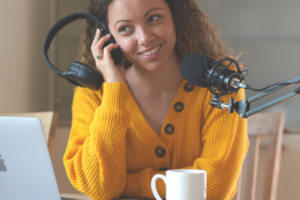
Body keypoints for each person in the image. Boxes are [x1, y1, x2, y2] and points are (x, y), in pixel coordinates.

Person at [63, 0, 249, 199]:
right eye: (125, 28)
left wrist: (125, 183)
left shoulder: (221, 84)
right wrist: (113, 94)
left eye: (153, 18)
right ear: (108, 40)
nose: (144, 38)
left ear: (175, 17)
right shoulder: (93, 95)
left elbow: (214, 187)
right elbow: (99, 187)